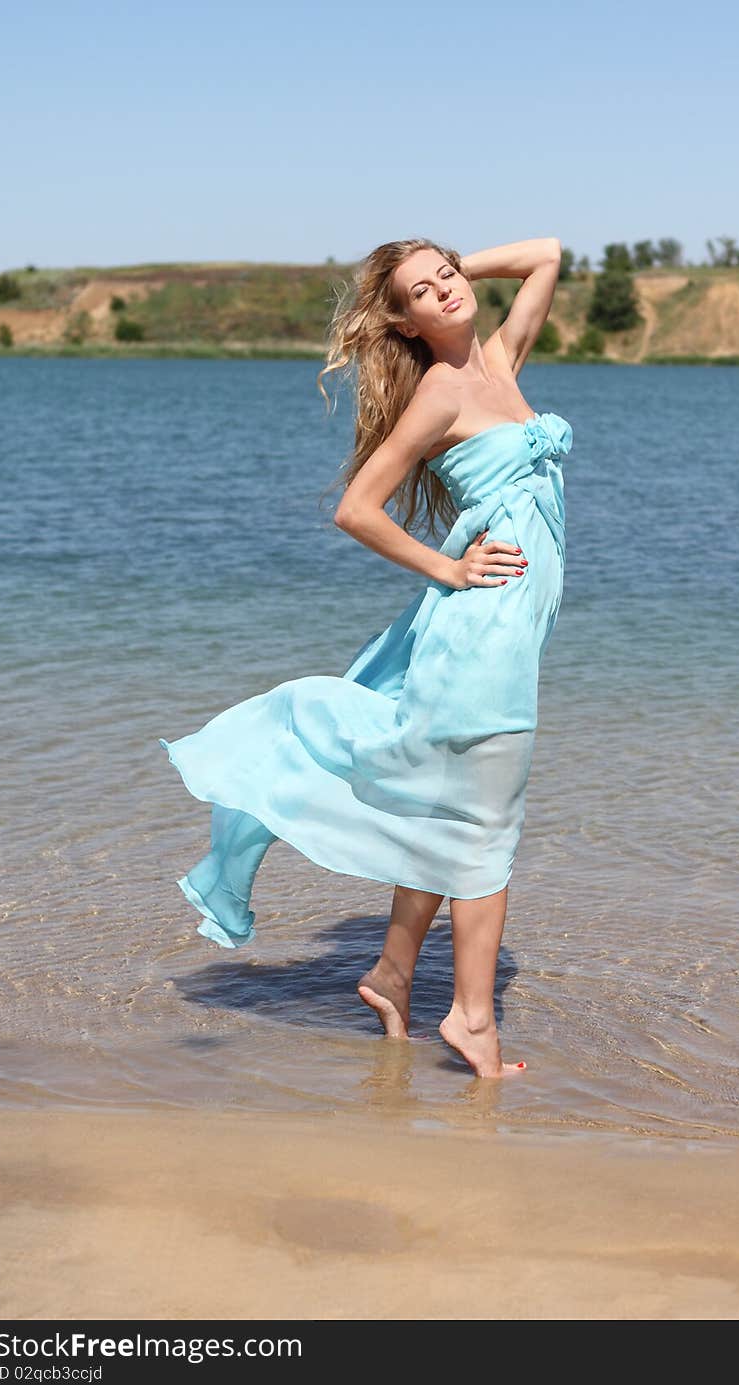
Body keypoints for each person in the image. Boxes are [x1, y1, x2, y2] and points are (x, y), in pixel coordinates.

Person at [159, 236, 573, 1079]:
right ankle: (470, 1019)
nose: (449, 291)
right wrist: (450, 567)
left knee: (444, 808)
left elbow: (548, 256)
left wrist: (443, 263)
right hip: (481, 633)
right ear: (406, 320)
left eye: (450, 276)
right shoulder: (441, 393)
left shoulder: (501, 362)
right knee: (485, 831)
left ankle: (390, 978)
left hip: (511, 632)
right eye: (425, 292)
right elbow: (358, 508)